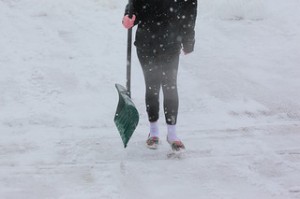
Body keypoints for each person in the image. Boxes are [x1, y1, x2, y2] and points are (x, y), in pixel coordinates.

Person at [122, 0, 197, 151]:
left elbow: (189, 12)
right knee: (152, 85)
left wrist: (188, 40)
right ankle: (154, 132)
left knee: (170, 86)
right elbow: (135, 5)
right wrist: (129, 17)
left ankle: (172, 134)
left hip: (171, 42)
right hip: (146, 41)